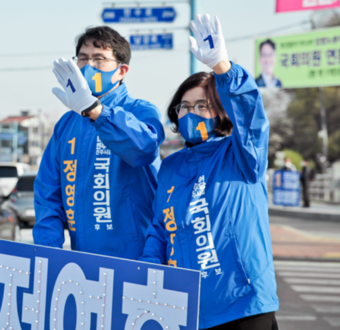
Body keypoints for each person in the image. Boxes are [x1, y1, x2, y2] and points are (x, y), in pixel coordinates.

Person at [140, 14, 279, 329]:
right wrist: (149, 272)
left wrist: (223, 69)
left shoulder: (241, 154)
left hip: (244, 305)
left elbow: (252, 121)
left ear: (221, 112)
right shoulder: (171, 166)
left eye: (202, 106)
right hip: (189, 308)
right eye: (185, 107)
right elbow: (161, 228)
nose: (192, 113)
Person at [33, 26, 165, 260]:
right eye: (83, 58)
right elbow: (47, 193)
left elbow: (143, 150)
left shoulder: (140, 111)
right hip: (84, 264)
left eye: (99, 59)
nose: (88, 66)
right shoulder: (66, 124)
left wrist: (95, 111)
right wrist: (49, 252)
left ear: (121, 71)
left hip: (137, 261)